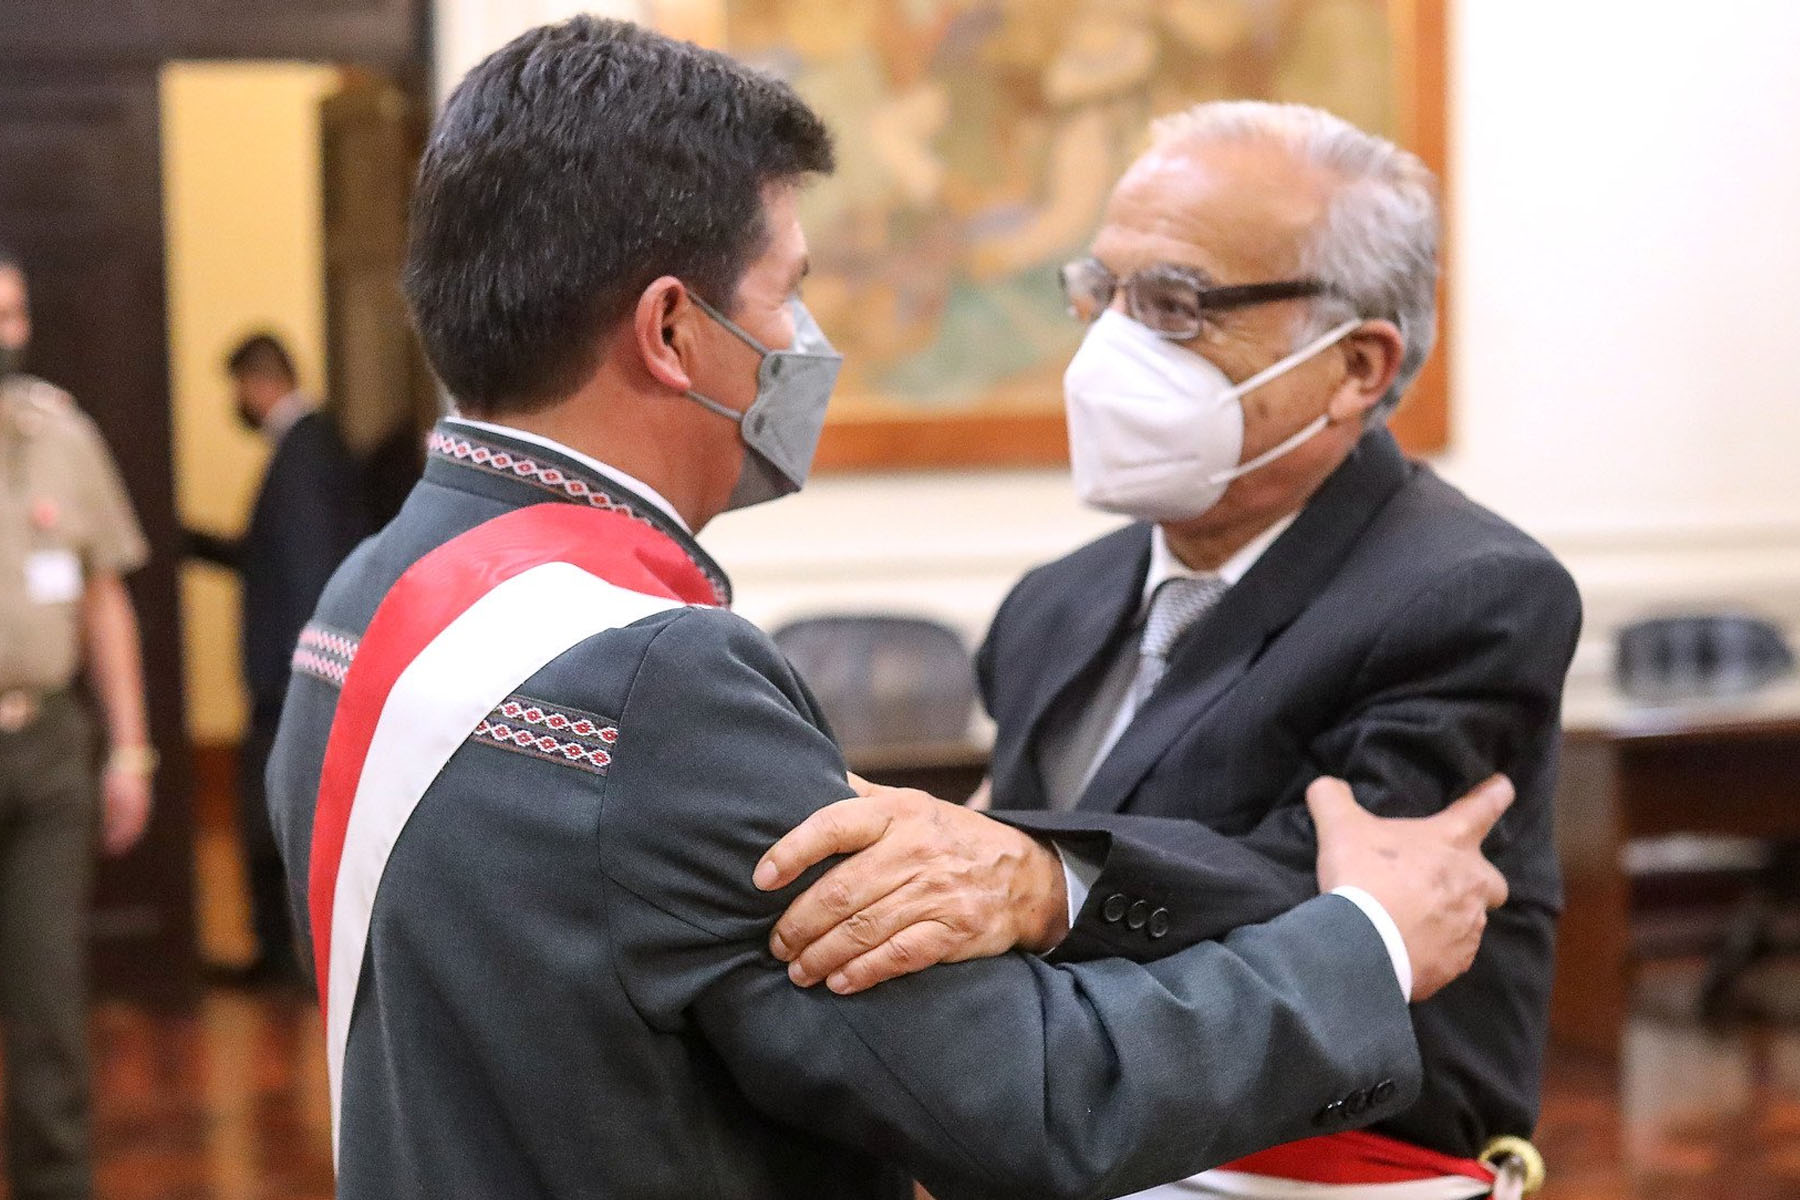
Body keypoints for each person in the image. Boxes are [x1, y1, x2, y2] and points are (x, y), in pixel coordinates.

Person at [266, 22, 1514, 1199]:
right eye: (786, 293)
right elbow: (1033, 1097)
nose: (805, 341)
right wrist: (1369, 942)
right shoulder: (659, 685)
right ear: (671, 332)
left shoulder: (368, 594)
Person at [758, 103, 1581, 1196]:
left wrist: (1051, 883)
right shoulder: (1054, 604)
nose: (1110, 347)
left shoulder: (1470, 594)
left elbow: (1359, 901)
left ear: (1356, 367)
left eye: (1175, 305)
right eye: (1102, 294)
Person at [0, 244, 156, 1200]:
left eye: (13, 313)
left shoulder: (61, 433)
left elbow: (106, 599)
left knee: (51, 1009)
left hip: (50, 751)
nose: (4, 332)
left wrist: (130, 751)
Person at [186, 332, 367, 983]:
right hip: (294, 675)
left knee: (275, 818)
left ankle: (283, 966)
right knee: (271, 814)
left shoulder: (304, 450)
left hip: (291, 680)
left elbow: (306, 569)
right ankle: (280, 961)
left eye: (238, 389)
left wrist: (303, 678)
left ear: (259, 384)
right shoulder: (306, 447)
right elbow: (272, 558)